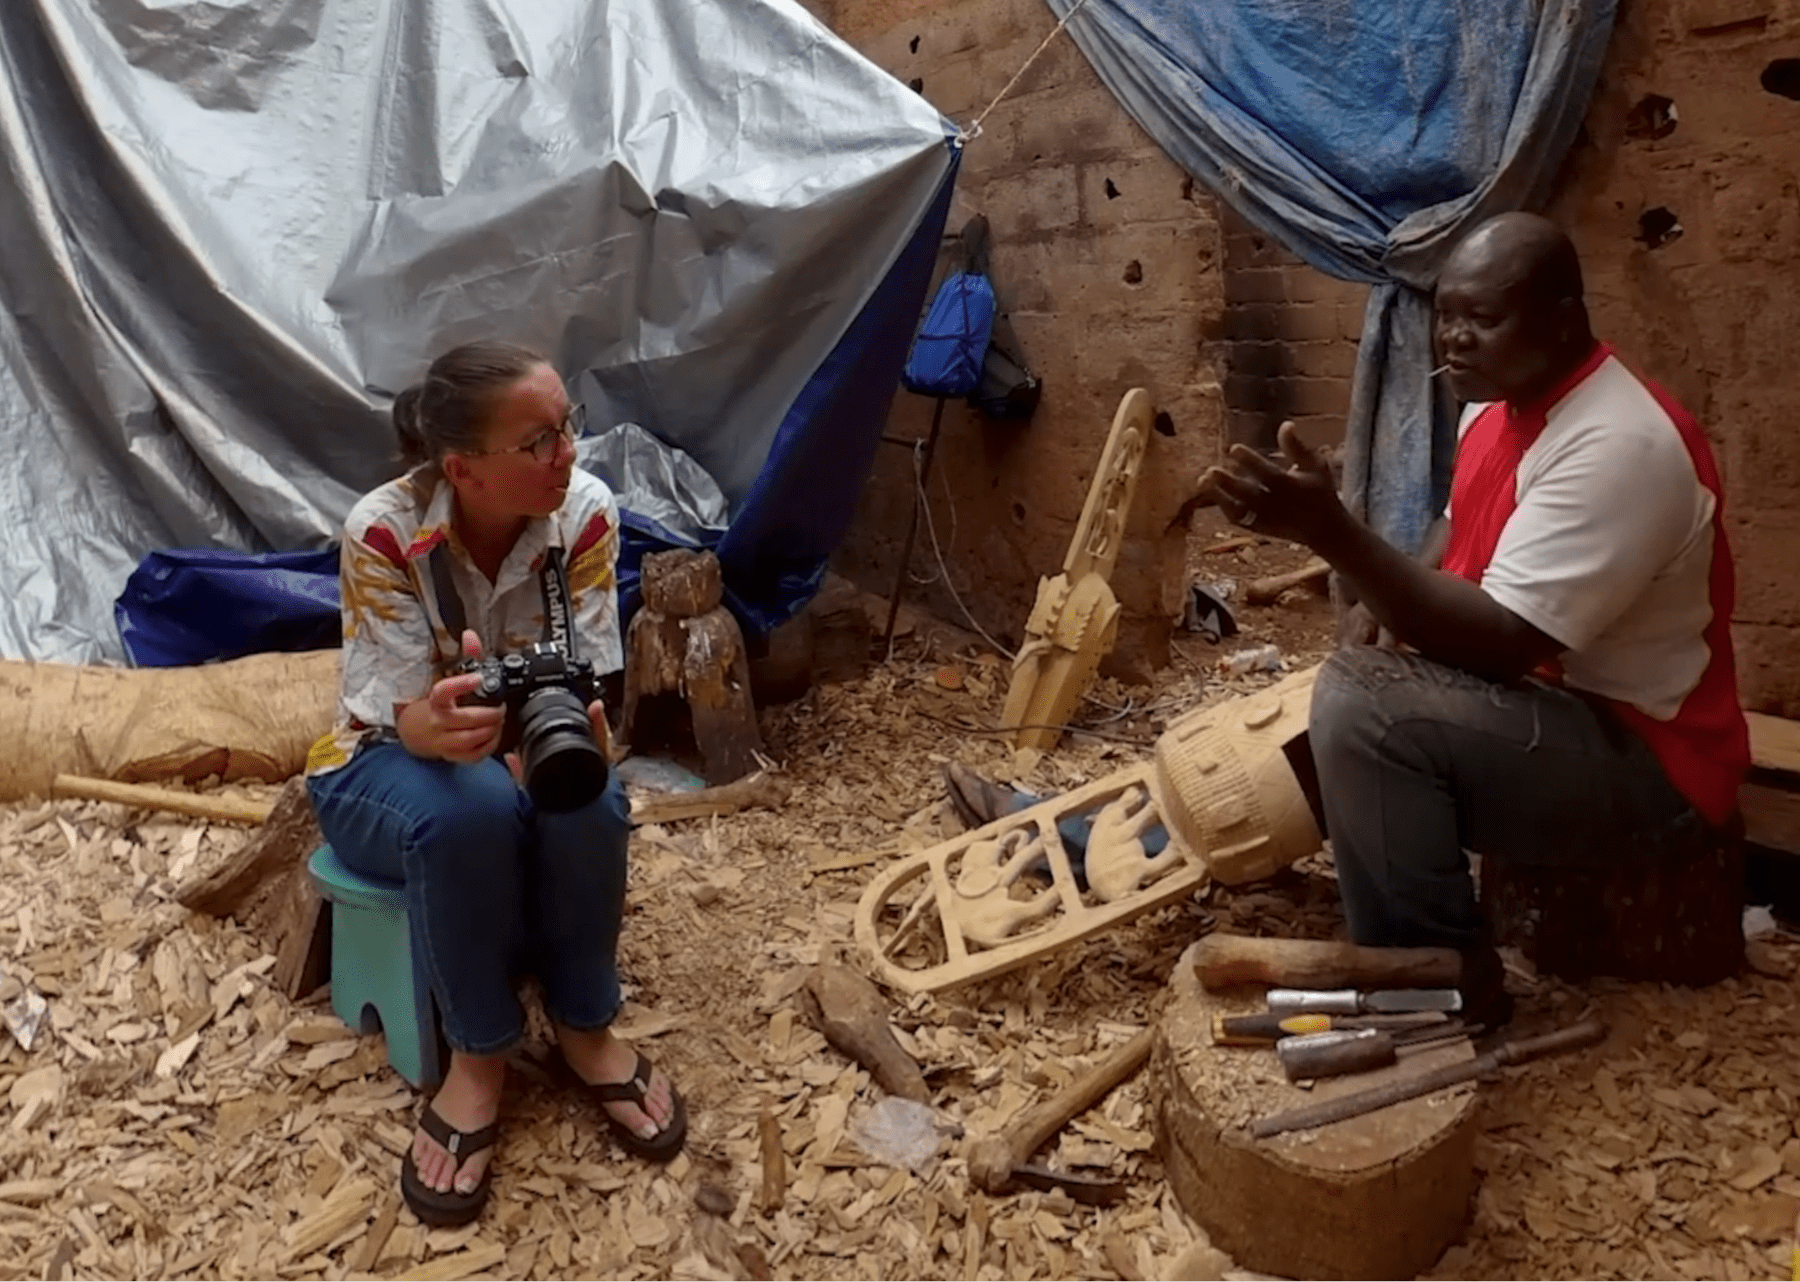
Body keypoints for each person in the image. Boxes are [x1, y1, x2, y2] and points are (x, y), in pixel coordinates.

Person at [947, 213, 1749, 1024]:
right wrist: (1378, 601)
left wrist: (1336, 536)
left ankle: (1434, 986)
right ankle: (1089, 836)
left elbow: (1506, 641)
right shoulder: (1497, 406)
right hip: (1554, 706)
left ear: (1565, 317)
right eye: (1447, 316)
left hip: (1651, 763)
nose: (1457, 339)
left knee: (1365, 715)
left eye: (1485, 318)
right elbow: (1452, 528)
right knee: (1301, 721)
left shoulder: (1619, 444)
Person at [306, 341, 685, 1227]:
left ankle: (586, 1028)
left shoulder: (584, 515)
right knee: (471, 810)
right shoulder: (385, 530)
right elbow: (395, 713)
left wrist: (570, 723)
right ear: (462, 469)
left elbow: (588, 673)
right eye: (541, 440)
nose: (570, 454)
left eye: (568, 428)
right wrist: (430, 728)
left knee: (588, 796)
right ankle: (480, 1056)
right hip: (381, 761)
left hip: (525, 745)